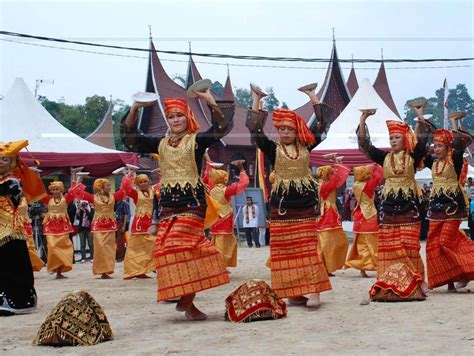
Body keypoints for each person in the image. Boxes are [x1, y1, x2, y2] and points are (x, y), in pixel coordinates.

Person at [121, 83, 233, 320]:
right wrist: (134, 109)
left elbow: (221, 128)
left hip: (192, 204)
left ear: (188, 116)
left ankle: (186, 298)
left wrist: (209, 100)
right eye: (171, 117)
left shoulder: (197, 141)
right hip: (168, 206)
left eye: (179, 115)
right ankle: (189, 303)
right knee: (165, 251)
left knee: (181, 246)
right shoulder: (159, 143)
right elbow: (131, 139)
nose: (175, 120)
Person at [246, 83, 332, 307]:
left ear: (297, 131)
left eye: (289, 129)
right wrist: (257, 100)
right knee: (285, 250)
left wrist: (313, 96)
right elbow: (255, 132)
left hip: (303, 205)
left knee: (307, 248)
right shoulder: (273, 149)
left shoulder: (306, 147)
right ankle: (293, 291)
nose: (285, 133)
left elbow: (322, 126)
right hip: (281, 207)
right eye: (282, 129)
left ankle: (314, 291)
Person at [358, 105, 432, 301]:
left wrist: (419, 115)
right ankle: (391, 281)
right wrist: (363, 120)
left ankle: (418, 280)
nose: (393, 141)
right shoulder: (384, 157)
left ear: (404, 139)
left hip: (409, 205)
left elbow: (423, 142)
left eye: (397, 137)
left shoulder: (412, 157)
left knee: (409, 245)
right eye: (391, 138)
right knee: (390, 245)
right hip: (389, 206)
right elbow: (366, 147)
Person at [424, 115, 474, 291]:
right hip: (436, 209)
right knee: (435, 245)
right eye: (435, 146)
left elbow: (461, 143)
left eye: (440, 146)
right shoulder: (433, 163)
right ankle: (451, 282)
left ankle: (467, 270)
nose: (436, 149)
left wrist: (453, 124)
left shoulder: (455, 161)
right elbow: (419, 150)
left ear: (448, 147)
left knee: (445, 242)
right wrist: (422, 120)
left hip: (453, 207)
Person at [0, 139, 46, 315]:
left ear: (12, 162)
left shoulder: (13, 182)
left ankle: (21, 301)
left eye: (4, 159)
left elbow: (5, 192)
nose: (0, 162)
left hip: (12, 231)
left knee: (14, 265)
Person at [73, 178, 127, 279]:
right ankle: (101, 270)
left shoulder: (113, 196)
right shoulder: (93, 197)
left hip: (110, 226)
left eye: (109, 185)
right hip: (98, 226)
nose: (109, 187)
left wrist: (127, 176)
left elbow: (124, 190)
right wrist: (78, 179)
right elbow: (78, 192)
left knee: (109, 249)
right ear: (101, 187)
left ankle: (107, 271)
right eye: (107, 185)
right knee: (100, 247)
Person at [203, 158, 249, 268]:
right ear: (224, 179)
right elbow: (243, 184)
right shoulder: (226, 190)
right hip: (225, 219)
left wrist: (208, 165)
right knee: (224, 243)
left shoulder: (210, 189)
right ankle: (220, 265)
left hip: (214, 219)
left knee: (216, 241)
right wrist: (242, 169)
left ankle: (216, 265)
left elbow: (206, 178)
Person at [344, 164, 384, 277]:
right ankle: (377, 265)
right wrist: (376, 166)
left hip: (359, 214)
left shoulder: (356, 185)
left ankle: (362, 267)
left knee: (361, 242)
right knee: (373, 241)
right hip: (369, 215)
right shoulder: (368, 186)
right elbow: (378, 177)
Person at [315, 157, 351, 276]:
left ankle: (325, 267)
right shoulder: (325, 185)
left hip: (328, 213)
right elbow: (337, 179)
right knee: (328, 243)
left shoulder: (323, 184)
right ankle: (324, 267)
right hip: (327, 214)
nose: (332, 175)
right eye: (330, 173)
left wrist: (337, 164)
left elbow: (337, 179)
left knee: (330, 242)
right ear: (325, 175)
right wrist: (337, 164)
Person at [121, 173, 157, 279]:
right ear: (137, 184)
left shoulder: (153, 192)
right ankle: (137, 271)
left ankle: (150, 266)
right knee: (136, 249)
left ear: (149, 181)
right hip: (139, 223)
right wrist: (128, 174)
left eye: (145, 181)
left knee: (153, 244)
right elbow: (126, 187)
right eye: (141, 182)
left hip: (151, 222)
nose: (144, 184)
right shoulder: (135, 193)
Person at [40, 181, 76, 279]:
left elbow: (73, 190)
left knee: (63, 246)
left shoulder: (66, 199)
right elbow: (39, 191)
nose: (55, 191)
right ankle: (53, 267)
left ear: (61, 190)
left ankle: (59, 271)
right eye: (53, 190)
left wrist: (78, 178)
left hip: (63, 226)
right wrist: (37, 176)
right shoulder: (48, 199)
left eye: (57, 189)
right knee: (52, 246)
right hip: (50, 225)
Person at [18, 196, 45, 272]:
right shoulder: (7, 199)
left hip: (26, 224)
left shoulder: (25, 198)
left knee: (29, 246)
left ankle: (32, 265)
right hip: (15, 225)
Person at [115, 196, 130, 262]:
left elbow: (126, 215)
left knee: (120, 240)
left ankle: (120, 256)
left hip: (120, 222)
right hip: (113, 222)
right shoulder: (113, 204)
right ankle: (115, 255)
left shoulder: (124, 204)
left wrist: (124, 225)